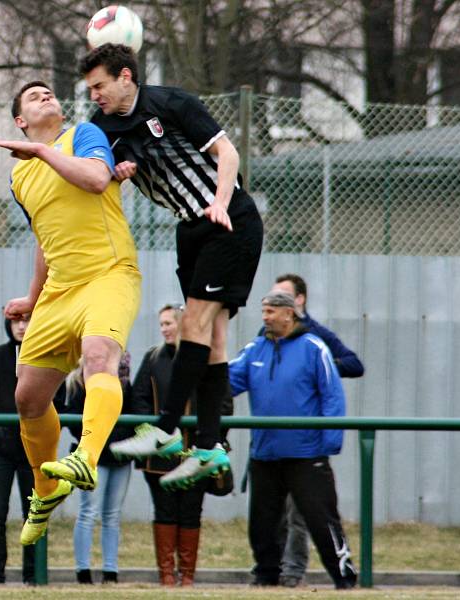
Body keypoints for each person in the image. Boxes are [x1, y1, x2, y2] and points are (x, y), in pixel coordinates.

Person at [80, 44, 264, 490]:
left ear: (126, 76)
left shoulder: (172, 102)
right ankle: (207, 447)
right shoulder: (98, 127)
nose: (95, 95)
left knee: (193, 325)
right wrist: (119, 172)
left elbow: (229, 156)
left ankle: (164, 429)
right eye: (90, 88)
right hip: (189, 230)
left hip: (228, 219)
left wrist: (219, 203)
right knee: (213, 337)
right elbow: (100, 177)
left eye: (100, 85)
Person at [0, 80, 142, 546]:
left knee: (99, 358)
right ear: (19, 120)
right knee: (27, 398)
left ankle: (86, 457)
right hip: (59, 291)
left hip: (108, 274)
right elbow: (45, 238)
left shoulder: (84, 135)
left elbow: (95, 179)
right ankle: (45, 488)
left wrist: (40, 150)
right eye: (33, 97)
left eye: (49, 92)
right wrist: (34, 299)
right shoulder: (20, 179)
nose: (45, 96)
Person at [229, 291, 357, 589]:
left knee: (321, 519)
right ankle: (265, 576)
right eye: (264, 311)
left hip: (306, 454)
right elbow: (229, 382)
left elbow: (332, 395)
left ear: (290, 314)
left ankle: (343, 577)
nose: (265, 317)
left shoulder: (314, 348)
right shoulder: (254, 349)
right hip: (265, 453)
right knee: (262, 523)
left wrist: (329, 442)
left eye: (271, 311)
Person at [259, 273, 365, 587]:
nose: (271, 307)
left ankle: (295, 572)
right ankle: (270, 573)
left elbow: (354, 364)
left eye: (281, 297)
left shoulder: (316, 338)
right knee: (270, 516)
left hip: (306, 445)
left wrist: (320, 365)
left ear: (298, 302)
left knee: (305, 515)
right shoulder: (266, 337)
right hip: (271, 445)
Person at [131, 303, 220, 587]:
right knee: (165, 511)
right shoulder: (153, 358)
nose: (164, 328)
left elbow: (222, 402)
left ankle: (189, 576)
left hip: (196, 452)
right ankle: (167, 574)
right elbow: (139, 398)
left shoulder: (207, 358)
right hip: (160, 456)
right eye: (162, 324)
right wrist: (154, 431)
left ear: (184, 324)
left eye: (169, 323)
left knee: (191, 512)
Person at [0, 314, 49, 586]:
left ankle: (33, 574)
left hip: (33, 451)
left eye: (27, 320)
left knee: (34, 513)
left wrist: (45, 439)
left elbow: (56, 400)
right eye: (17, 321)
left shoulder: (46, 358)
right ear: (8, 324)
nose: (22, 326)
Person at [65, 354, 134, 584]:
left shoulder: (125, 381)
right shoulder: (78, 380)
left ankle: (110, 571)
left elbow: (133, 416)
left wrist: (119, 442)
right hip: (92, 455)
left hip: (120, 456)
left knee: (112, 515)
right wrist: (99, 440)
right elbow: (74, 422)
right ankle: (82, 570)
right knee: (88, 512)